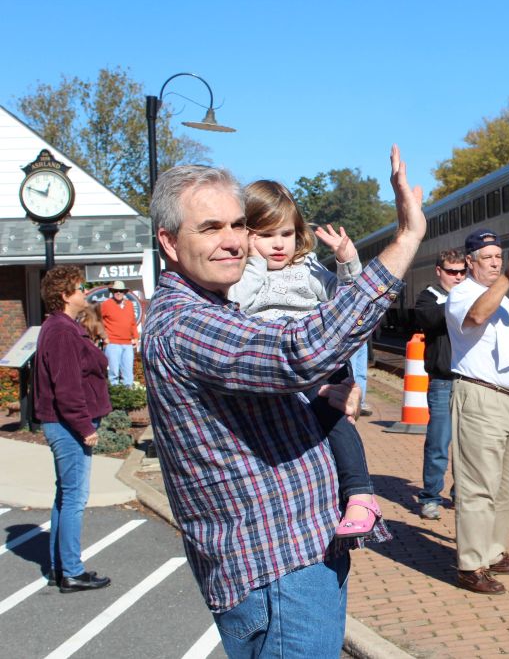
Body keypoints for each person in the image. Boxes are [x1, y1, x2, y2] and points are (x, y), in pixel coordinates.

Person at [142, 145, 424, 657]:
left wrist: (317, 392)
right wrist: (405, 240)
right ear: (169, 240)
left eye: (237, 226)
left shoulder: (220, 309)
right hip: (278, 572)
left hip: (292, 563)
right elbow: (299, 352)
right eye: (210, 228)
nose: (231, 242)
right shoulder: (186, 323)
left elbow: (287, 370)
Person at [227, 179, 380, 538]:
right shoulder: (243, 275)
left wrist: (347, 262)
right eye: (265, 235)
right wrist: (254, 263)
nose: (279, 244)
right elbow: (238, 303)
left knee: (334, 417)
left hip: (315, 359)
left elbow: (347, 301)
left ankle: (360, 494)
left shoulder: (308, 269)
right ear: (246, 235)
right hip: (275, 365)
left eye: (286, 233)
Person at [445, 229, 509, 595]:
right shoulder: (463, 294)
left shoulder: (505, 300)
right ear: (469, 262)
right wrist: (508, 279)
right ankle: (470, 566)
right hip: (481, 400)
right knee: (477, 487)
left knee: (506, 487)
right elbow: (475, 317)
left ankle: (494, 550)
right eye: (486, 258)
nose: (494, 263)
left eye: (498, 258)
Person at [34, 265, 112, 594]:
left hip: (62, 424)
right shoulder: (63, 331)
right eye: (79, 288)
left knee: (65, 496)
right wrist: (84, 427)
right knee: (75, 498)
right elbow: (66, 388)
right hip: (68, 426)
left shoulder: (60, 327)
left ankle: (58, 568)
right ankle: (71, 571)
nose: (84, 293)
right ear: (65, 296)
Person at [414, 249, 466, 519]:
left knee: (467, 444)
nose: (457, 277)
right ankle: (430, 497)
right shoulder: (429, 297)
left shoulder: (471, 294)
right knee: (438, 443)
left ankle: (462, 495)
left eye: (462, 272)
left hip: (470, 383)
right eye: (451, 271)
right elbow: (430, 318)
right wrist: (460, 299)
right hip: (443, 382)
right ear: (439, 271)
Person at [100, 280, 138, 386]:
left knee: (128, 373)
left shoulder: (130, 305)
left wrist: (135, 337)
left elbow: (132, 322)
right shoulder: (106, 304)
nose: (118, 293)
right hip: (112, 342)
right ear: (112, 292)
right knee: (113, 373)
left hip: (127, 343)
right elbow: (97, 321)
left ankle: (129, 398)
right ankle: (115, 398)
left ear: (124, 292)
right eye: (116, 291)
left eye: (121, 291)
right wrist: (104, 337)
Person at [350, 342, 373, 416]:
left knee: (361, 374)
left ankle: (360, 403)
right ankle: (351, 403)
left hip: (363, 340)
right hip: (352, 339)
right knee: (351, 372)